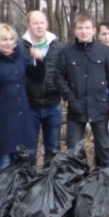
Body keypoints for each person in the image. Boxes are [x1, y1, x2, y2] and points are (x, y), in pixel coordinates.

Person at [55, 13, 109, 168]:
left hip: (101, 108)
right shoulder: (66, 52)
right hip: (76, 108)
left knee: (105, 149)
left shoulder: (103, 50)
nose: (83, 31)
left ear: (93, 30)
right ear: (74, 31)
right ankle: (78, 183)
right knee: (74, 150)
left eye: (87, 28)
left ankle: (105, 183)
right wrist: (70, 99)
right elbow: (58, 78)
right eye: (80, 28)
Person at [0, 24, 37, 173]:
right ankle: (3, 193)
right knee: (4, 157)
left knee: (24, 155)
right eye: (4, 39)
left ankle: (22, 190)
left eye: (11, 39)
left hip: (22, 113)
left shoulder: (19, 55)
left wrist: (40, 60)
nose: (9, 42)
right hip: (1, 116)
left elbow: (37, 76)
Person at [20, 10, 63, 165]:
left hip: (53, 104)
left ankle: (49, 182)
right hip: (29, 105)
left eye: (42, 22)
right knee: (29, 150)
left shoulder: (58, 47)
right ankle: (29, 182)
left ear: (47, 24)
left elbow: (63, 73)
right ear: (28, 25)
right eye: (35, 23)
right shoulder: (19, 47)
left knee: (53, 148)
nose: (39, 26)